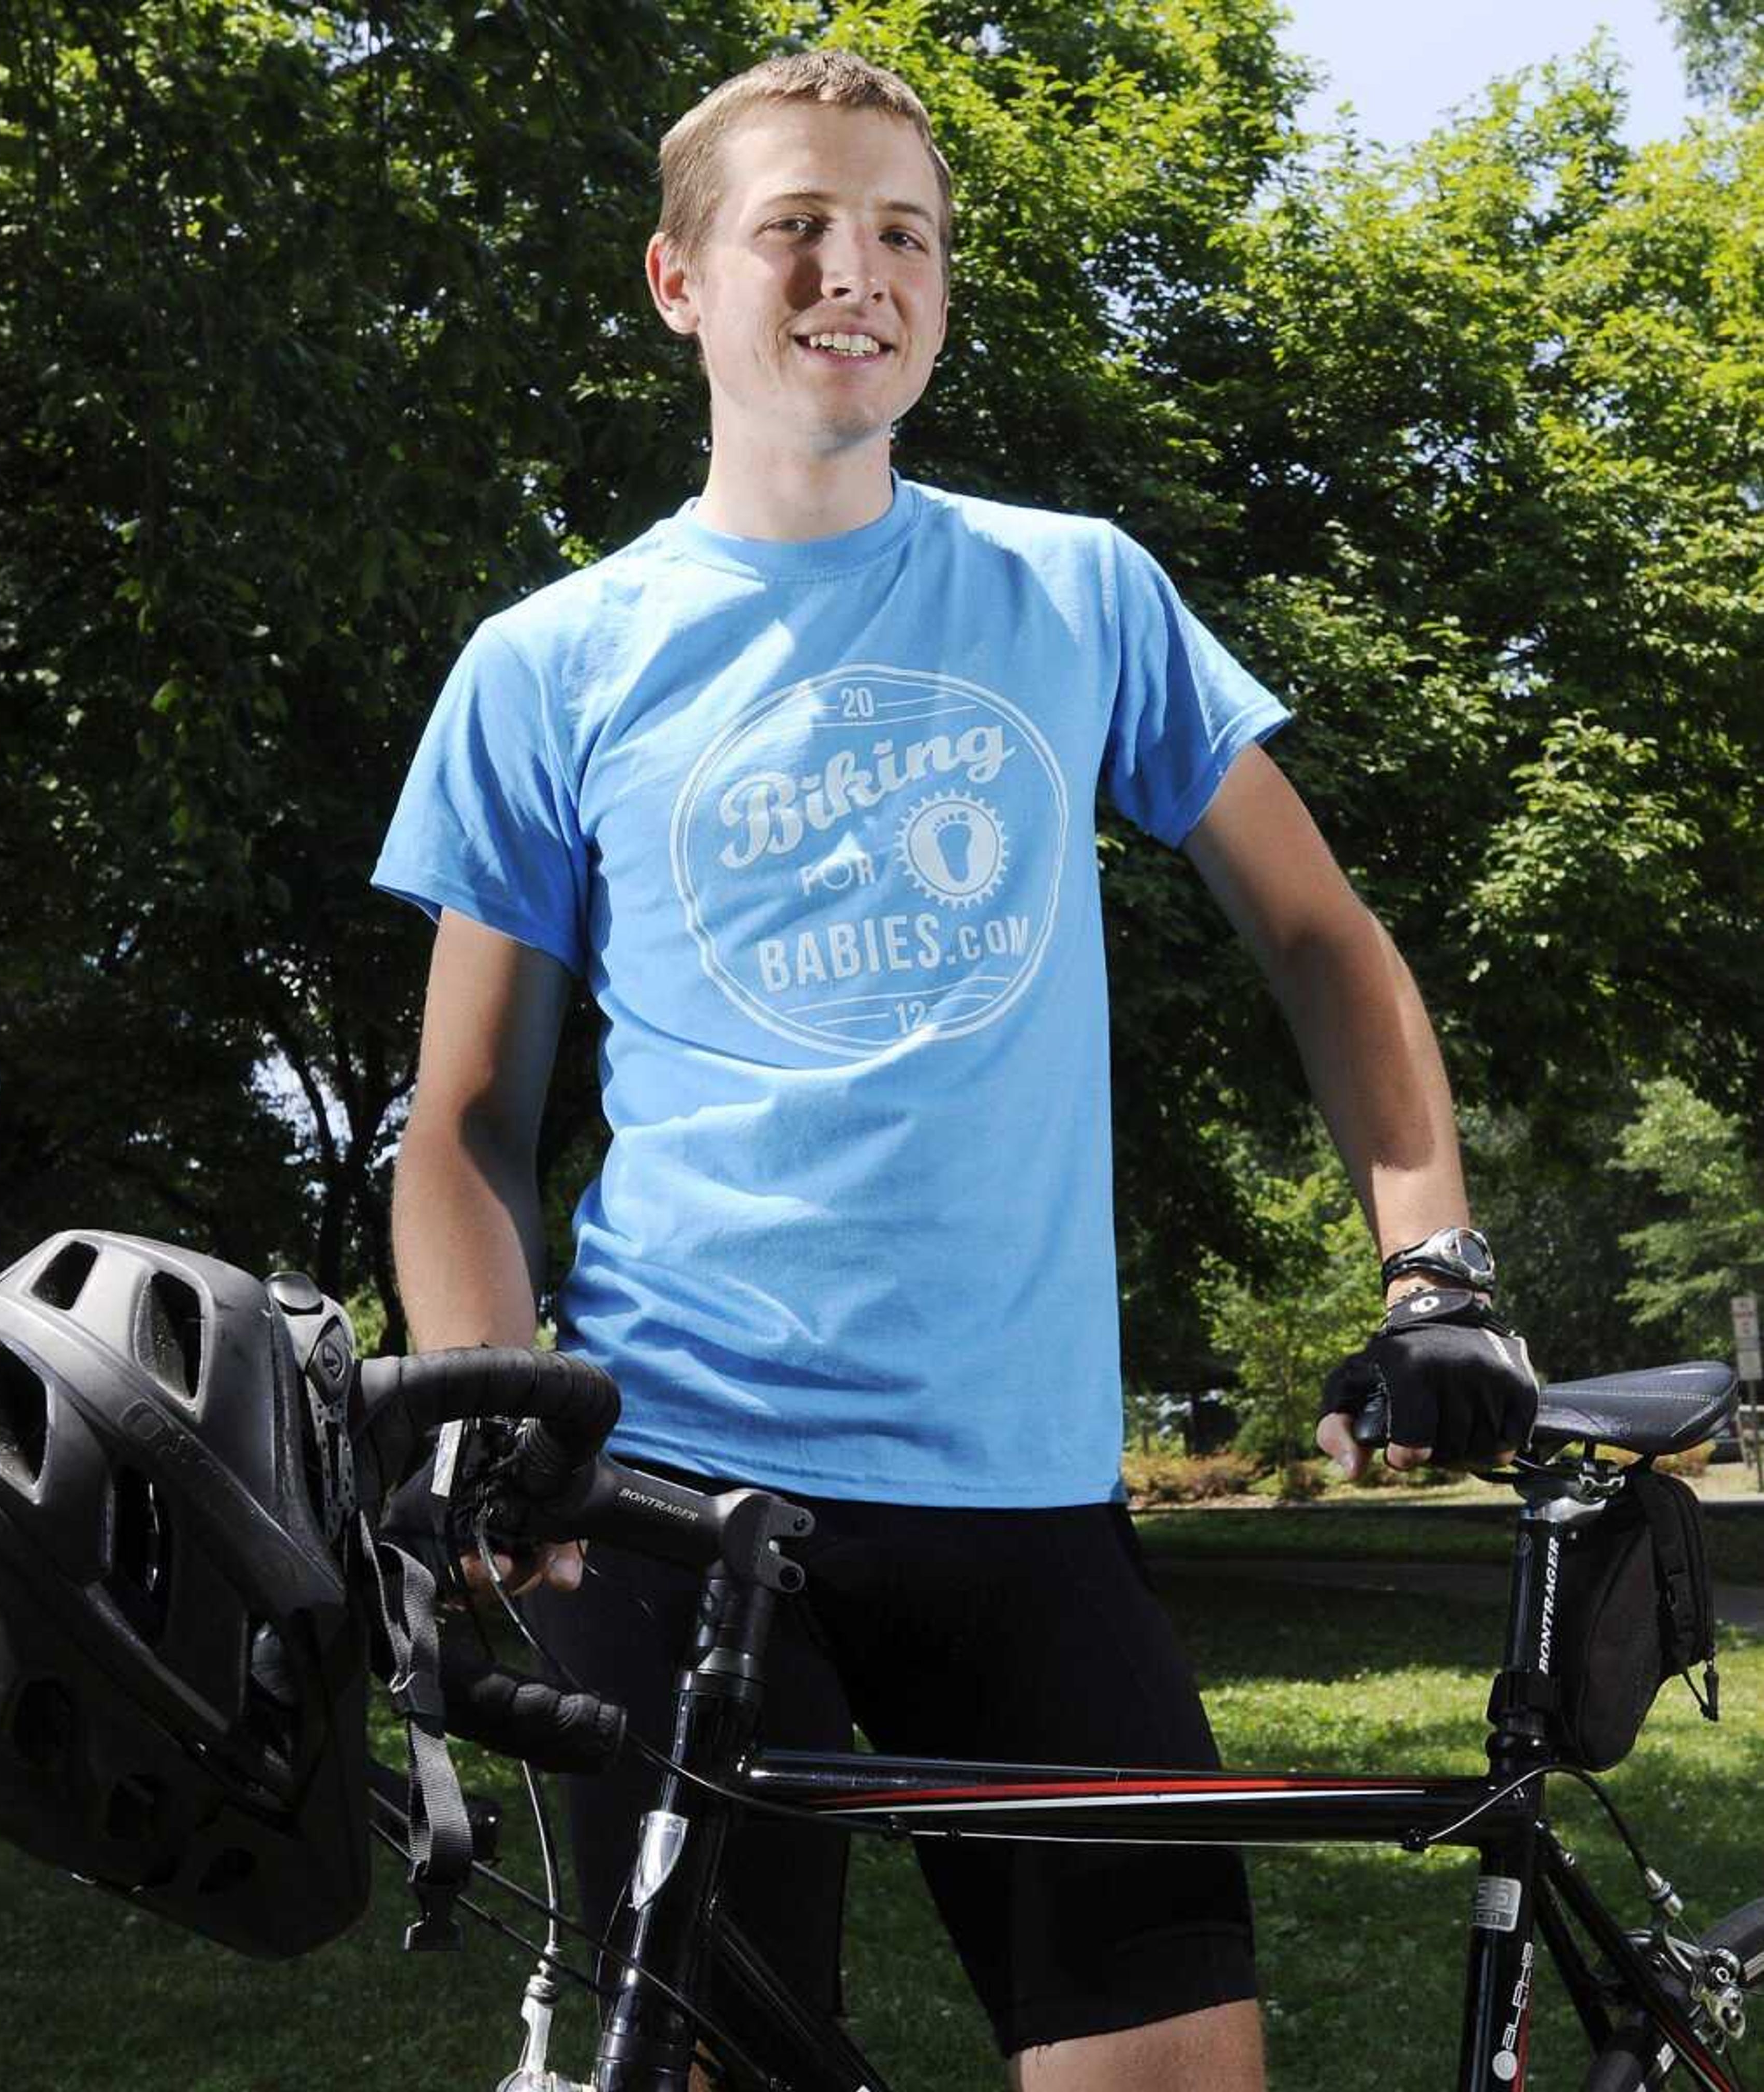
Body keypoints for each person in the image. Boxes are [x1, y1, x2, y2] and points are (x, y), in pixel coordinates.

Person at [374, 48, 1536, 2092]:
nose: (857, 271)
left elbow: (1322, 938)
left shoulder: (1079, 591)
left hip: (1025, 1504)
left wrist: (1434, 1265)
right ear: (678, 281)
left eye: (901, 232)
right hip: (675, 1505)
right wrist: (497, 1417)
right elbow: (466, 1117)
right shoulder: (550, 660)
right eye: (796, 226)